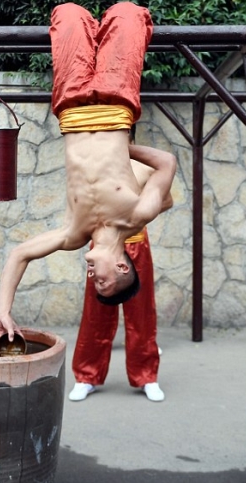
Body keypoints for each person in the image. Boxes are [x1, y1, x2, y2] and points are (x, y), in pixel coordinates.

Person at [0, 2, 177, 340]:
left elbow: (20, 254)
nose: (93, 276)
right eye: (103, 280)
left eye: (96, 283)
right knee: (127, 14)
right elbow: (167, 162)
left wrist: (3, 308)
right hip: (116, 102)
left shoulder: (71, 234)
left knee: (67, 14)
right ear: (123, 266)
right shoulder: (140, 212)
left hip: (72, 106)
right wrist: (124, 149)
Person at [69, 126, 164, 403]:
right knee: (96, 312)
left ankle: (147, 375)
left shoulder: (145, 170)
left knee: (142, 313)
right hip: (102, 248)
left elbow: (164, 200)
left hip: (136, 245)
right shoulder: (95, 171)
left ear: (130, 139)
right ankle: (86, 376)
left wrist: (137, 219)